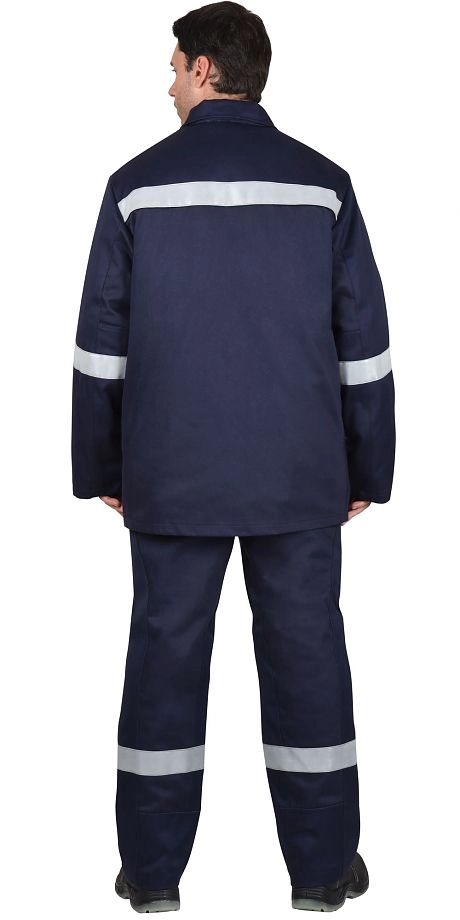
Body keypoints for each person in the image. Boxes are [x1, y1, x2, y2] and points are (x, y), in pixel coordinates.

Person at [71, 1, 395, 912]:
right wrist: (368, 468)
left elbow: (101, 348)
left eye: (174, 65)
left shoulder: (135, 187)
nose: (168, 82)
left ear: (207, 68)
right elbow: (363, 346)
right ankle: (322, 874)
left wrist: (102, 466)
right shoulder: (324, 186)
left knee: (163, 664)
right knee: (308, 662)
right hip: (301, 476)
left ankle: (153, 878)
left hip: (172, 475)